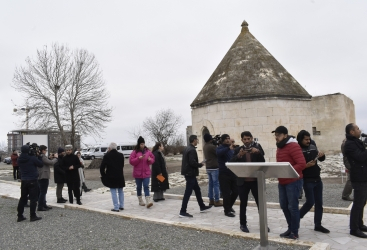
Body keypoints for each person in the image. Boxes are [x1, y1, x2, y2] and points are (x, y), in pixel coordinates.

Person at [273, 126, 306, 240]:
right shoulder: (280, 146)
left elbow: (301, 163)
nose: (276, 137)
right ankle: (290, 228)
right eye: (275, 135)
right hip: (282, 181)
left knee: (293, 207)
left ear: (285, 135)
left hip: (293, 181)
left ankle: (295, 232)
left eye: (279, 135)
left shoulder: (293, 146)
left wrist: (287, 172)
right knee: (284, 206)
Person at [230, 131, 266, 233]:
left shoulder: (258, 147)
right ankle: (243, 224)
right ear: (241, 140)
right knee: (243, 204)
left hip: (255, 181)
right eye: (244, 139)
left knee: (260, 203)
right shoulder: (238, 149)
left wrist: (258, 153)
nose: (246, 141)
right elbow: (231, 163)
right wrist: (239, 155)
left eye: (248, 139)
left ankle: (263, 224)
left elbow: (263, 162)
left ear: (251, 138)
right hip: (243, 181)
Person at [296, 130, 330, 234]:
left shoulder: (313, 145)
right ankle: (296, 218)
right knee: (310, 202)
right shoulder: (297, 149)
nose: (308, 141)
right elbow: (297, 166)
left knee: (319, 203)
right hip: (307, 180)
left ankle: (318, 225)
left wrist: (321, 155)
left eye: (309, 139)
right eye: (306, 139)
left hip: (317, 178)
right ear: (300, 139)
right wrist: (306, 166)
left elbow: (321, 159)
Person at [179, 135, 211, 218]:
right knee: (188, 192)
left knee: (197, 190)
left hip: (189, 173)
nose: (197, 141)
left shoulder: (187, 148)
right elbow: (192, 162)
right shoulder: (192, 150)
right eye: (197, 139)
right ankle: (182, 211)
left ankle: (202, 206)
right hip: (190, 173)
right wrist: (200, 164)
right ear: (194, 140)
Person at [344, 123, 367, 238]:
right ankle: (354, 229)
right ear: (352, 132)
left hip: (363, 176)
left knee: (362, 202)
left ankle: (360, 224)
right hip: (358, 177)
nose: (359, 130)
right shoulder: (349, 144)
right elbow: (360, 157)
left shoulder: (356, 142)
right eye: (357, 129)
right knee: (358, 203)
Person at [16, 145, 43, 222]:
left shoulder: (19, 159)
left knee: (23, 198)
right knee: (33, 199)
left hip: (24, 180)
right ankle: (33, 215)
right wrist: (39, 156)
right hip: (32, 180)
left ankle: (20, 216)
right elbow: (40, 164)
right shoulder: (32, 158)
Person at [129, 136, 155, 208]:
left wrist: (150, 160)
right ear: (138, 144)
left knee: (146, 186)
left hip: (146, 173)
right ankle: (140, 200)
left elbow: (153, 159)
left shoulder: (148, 152)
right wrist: (138, 159)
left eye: (143, 144)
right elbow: (131, 161)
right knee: (139, 187)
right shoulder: (134, 152)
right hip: (138, 173)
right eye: (141, 144)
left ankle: (148, 201)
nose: (142, 145)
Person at [100, 142, 125, 212]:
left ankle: (116, 207)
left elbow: (102, 167)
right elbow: (122, 165)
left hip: (111, 176)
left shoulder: (107, 156)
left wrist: (103, 175)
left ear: (109, 148)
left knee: (113, 191)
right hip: (120, 175)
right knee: (120, 191)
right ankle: (122, 205)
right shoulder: (121, 155)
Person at [216, 134, 237, 217]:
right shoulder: (220, 148)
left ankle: (229, 206)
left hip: (233, 173)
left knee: (236, 191)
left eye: (229, 138)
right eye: (226, 139)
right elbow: (219, 153)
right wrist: (228, 148)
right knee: (226, 193)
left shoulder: (231, 149)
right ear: (223, 140)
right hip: (224, 174)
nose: (228, 140)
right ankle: (227, 210)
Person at [203, 134, 222, 207]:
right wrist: (218, 144)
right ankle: (217, 200)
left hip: (208, 167)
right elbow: (218, 153)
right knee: (216, 184)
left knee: (210, 184)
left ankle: (211, 200)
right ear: (210, 139)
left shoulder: (205, 146)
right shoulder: (212, 147)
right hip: (214, 167)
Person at [37, 145, 57, 211]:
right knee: (43, 192)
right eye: (45, 150)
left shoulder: (41, 156)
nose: (46, 151)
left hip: (41, 176)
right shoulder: (42, 156)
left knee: (42, 191)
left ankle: (44, 205)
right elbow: (50, 163)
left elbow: (46, 161)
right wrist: (56, 158)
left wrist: (49, 157)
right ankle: (40, 206)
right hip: (43, 176)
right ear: (43, 150)